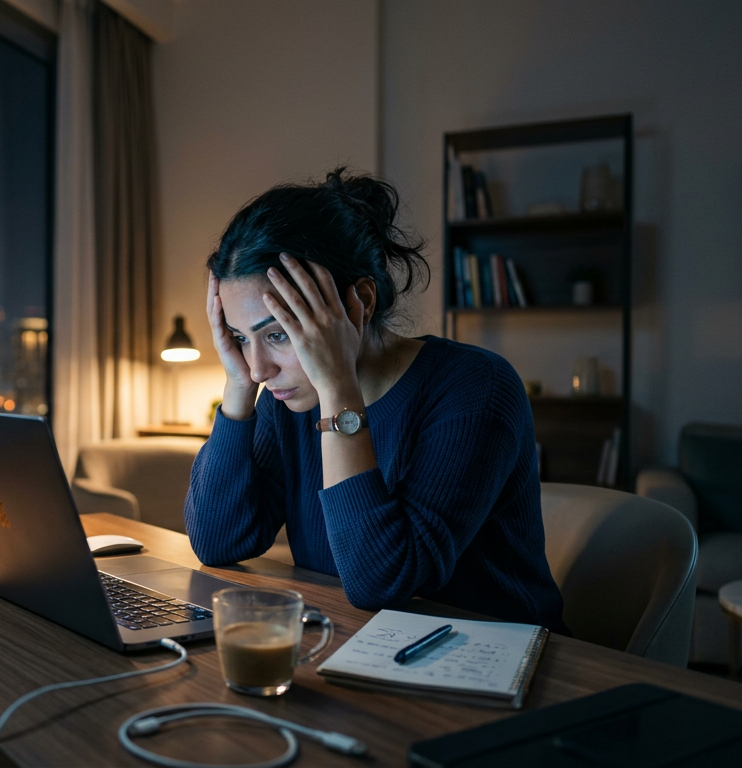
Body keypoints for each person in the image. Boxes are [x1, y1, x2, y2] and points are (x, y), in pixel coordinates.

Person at [184, 168, 567, 632]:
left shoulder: (477, 387)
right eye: (241, 338)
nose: (260, 368)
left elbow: (381, 582)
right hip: (358, 643)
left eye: (279, 334)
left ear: (358, 302)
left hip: (495, 660)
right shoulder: (283, 398)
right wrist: (237, 388)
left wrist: (338, 390)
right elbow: (217, 542)